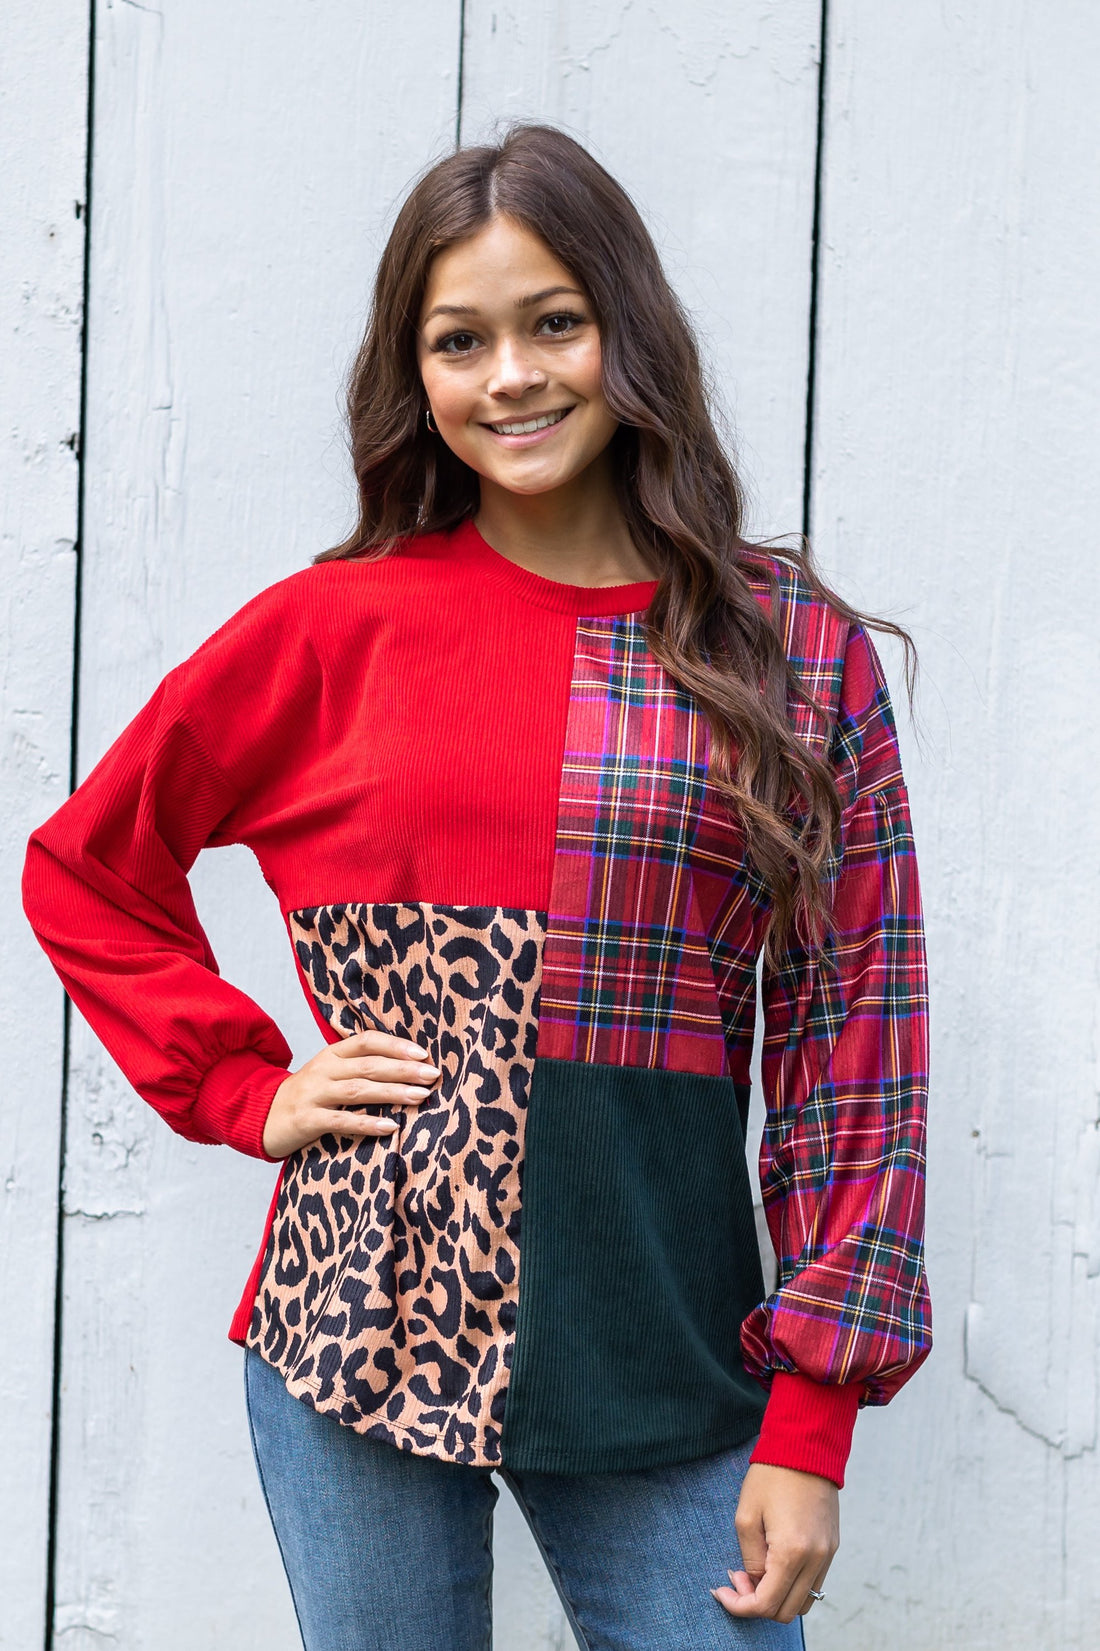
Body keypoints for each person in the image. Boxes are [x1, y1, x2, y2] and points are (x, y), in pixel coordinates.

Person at [22, 123, 931, 1651]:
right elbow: (86, 869)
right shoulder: (330, 631)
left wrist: (814, 1418)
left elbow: (856, 1049)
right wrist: (243, 1086)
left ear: (627, 330)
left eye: (553, 322)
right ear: (416, 372)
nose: (511, 375)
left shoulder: (789, 656)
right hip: (351, 1338)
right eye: (461, 340)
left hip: (665, 1353)